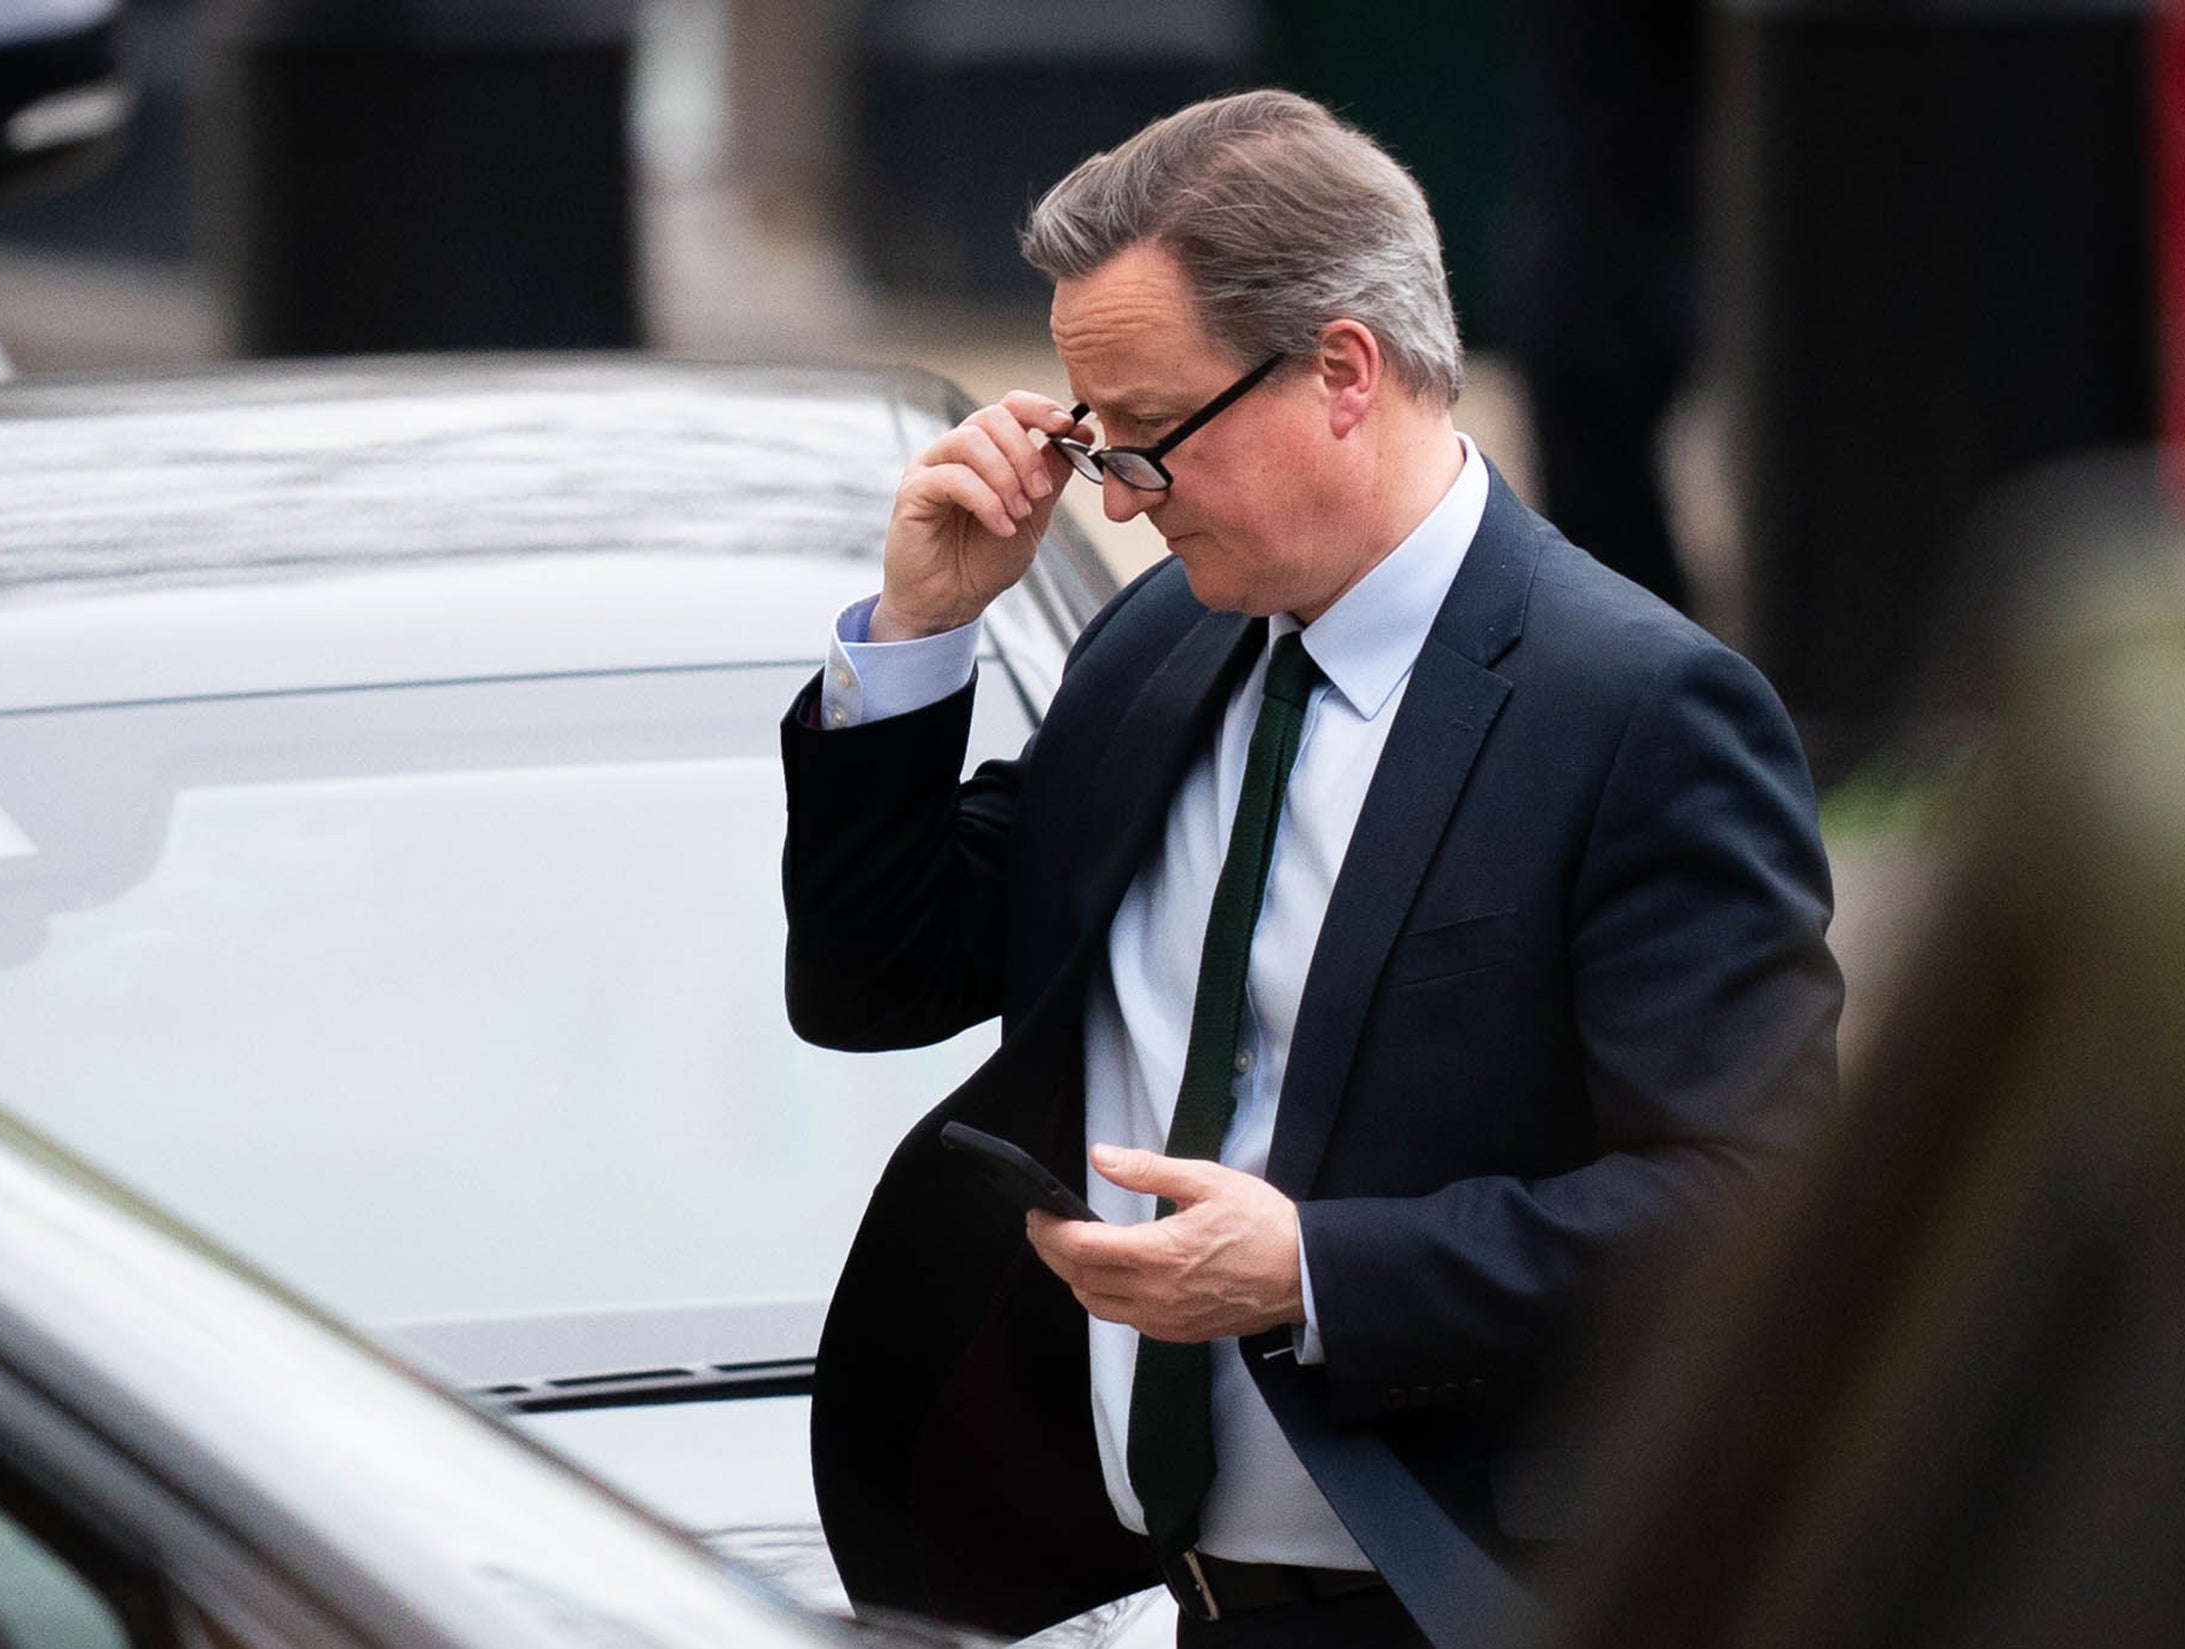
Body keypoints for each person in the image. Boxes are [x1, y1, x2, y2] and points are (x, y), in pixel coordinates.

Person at [781, 90, 1842, 1649]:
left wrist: (1317, 1268)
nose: (1122, 498)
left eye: (1146, 438)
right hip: (1152, 1596)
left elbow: (1754, 1207)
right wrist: (922, 635)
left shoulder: (1635, 709)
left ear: (1342, 370)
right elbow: (877, 980)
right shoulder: (1156, 641)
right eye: (1095, 447)